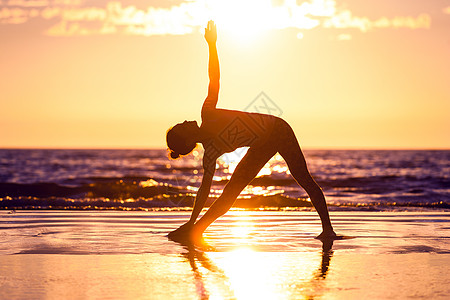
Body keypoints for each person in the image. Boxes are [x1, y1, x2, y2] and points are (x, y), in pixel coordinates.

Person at [167, 21, 336, 245]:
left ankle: (328, 229)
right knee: (232, 190)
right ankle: (197, 229)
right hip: (262, 145)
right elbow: (204, 192)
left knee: (302, 177)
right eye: (182, 126)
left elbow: (214, 79)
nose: (185, 120)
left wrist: (212, 45)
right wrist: (190, 220)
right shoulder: (210, 151)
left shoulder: (208, 112)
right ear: (186, 139)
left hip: (277, 129)